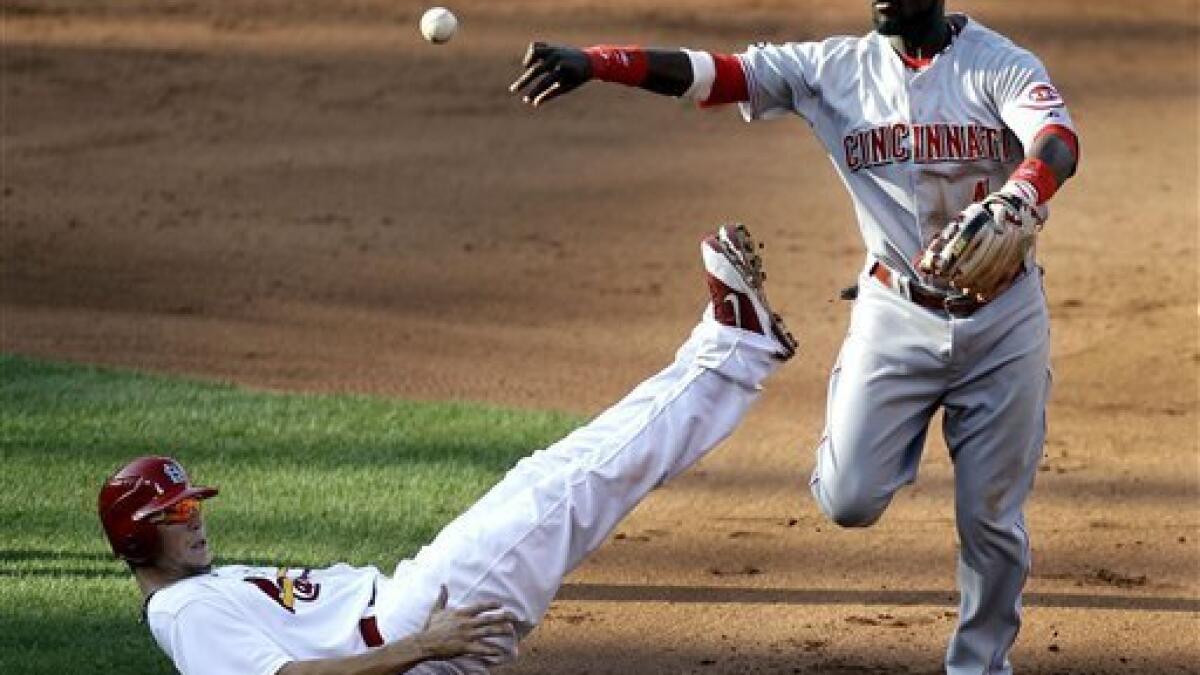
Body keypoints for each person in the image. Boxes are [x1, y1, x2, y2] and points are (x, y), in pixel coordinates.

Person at [509, 1, 1079, 673]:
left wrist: (1019, 195)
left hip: (1002, 320)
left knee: (990, 520)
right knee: (847, 497)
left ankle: (979, 665)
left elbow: (1057, 139)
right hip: (896, 309)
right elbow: (716, 74)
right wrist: (598, 63)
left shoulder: (999, 66)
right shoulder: (830, 68)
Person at [97, 225, 797, 675]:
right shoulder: (179, 612)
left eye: (190, 501)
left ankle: (732, 345)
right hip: (412, 633)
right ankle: (734, 344)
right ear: (135, 537)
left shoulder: (194, 594)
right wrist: (427, 645)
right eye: (174, 510)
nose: (193, 515)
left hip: (409, 621)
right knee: (570, 483)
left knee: (566, 481)